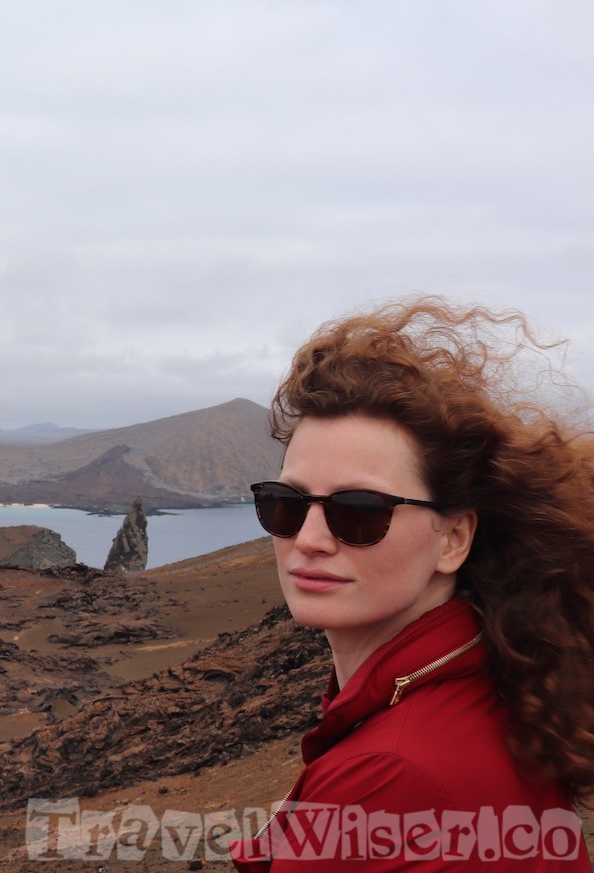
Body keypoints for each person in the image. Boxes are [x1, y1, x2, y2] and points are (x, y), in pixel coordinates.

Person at [229, 298, 594, 871]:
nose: (310, 538)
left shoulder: (391, 775)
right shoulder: (493, 690)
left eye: (360, 511)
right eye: (285, 503)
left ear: (453, 539)